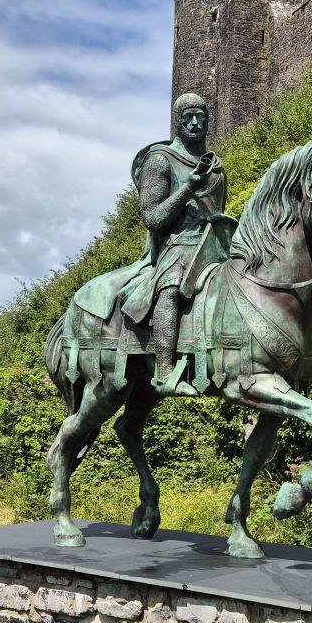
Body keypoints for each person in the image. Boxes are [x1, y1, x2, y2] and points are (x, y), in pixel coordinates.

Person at [118, 93, 228, 396]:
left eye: (200, 117)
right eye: (187, 118)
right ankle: (165, 371)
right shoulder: (160, 160)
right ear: (177, 123)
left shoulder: (215, 167)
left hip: (213, 242)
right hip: (177, 244)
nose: (195, 123)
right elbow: (153, 218)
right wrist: (188, 189)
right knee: (172, 285)